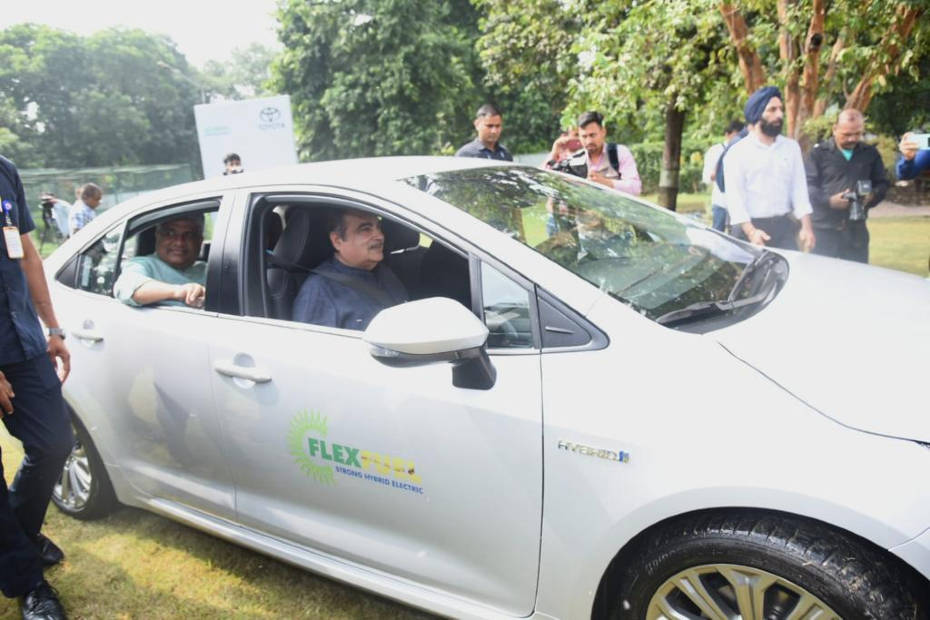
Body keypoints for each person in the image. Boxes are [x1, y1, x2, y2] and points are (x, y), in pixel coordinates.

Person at [0, 155, 72, 620]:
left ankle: (16, 537)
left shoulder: (3, 169)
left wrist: (53, 327)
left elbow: (25, 252)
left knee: (53, 443)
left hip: (22, 337)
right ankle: (28, 583)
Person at [723, 86, 815, 251]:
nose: (779, 115)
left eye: (780, 109)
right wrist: (752, 233)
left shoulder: (791, 147)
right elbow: (735, 200)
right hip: (749, 230)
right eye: (772, 110)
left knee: (792, 274)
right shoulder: (737, 152)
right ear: (757, 114)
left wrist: (806, 227)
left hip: (783, 228)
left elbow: (799, 190)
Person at [292, 209, 408, 330]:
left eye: (378, 227)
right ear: (337, 241)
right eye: (365, 229)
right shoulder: (319, 290)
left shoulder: (384, 272)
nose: (380, 236)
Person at [806, 109, 889, 263]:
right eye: (846, 134)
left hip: (856, 231)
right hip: (824, 230)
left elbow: (882, 183)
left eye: (857, 134)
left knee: (857, 282)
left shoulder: (870, 153)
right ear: (835, 129)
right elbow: (807, 187)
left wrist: (872, 196)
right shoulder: (818, 154)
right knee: (822, 280)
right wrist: (829, 201)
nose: (852, 139)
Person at [113, 214, 207, 308]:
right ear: (157, 236)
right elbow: (129, 289)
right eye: (170, 233)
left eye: (189, 235)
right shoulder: (142, 264)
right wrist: (179, 291)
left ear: (200, 241)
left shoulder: (210, 270)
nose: (179, 242)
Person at [557, 111, 642, 195]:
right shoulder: (575, 159)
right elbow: (552, 180)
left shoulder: (619, 153)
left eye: (592, 135)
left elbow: (635, 187)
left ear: (603, 132)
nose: (589, 141)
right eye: (584, 136)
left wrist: (606, 183)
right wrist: (555, 151)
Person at [702, 120, 745, 231]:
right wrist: (715, 174)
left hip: (739, 201)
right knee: (717, 231)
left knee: (737, 233)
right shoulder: (715, 151)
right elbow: (706, 177)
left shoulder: (745, 150)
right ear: (727, 134)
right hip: (721, 199)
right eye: (736, 135)